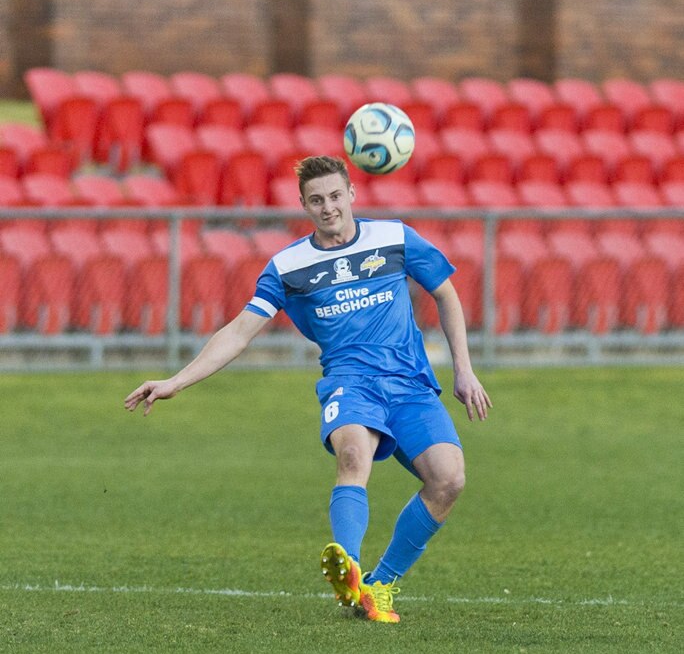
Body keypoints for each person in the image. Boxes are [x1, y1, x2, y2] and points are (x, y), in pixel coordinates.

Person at [125, 155, 491, 623]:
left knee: (449, 479)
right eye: (316, 200)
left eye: (336, 196)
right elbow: (239, 331)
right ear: (303, 205)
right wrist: (177, 381)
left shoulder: (394, 238)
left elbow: (445, 292)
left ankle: (379, 586)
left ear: (352, 195)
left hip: (410, 383)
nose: (328, 207)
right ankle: (349, 568)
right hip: (349, 382)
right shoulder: (289, 266)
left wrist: (464, 369)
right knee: (353, 456)